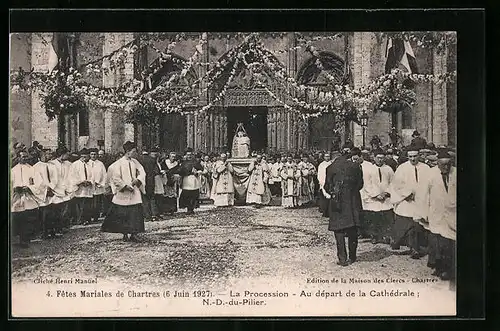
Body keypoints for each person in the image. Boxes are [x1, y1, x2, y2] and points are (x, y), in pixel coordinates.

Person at [415, 148, 456, 281]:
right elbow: (422, 194)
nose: (445, 167)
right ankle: (440, 267)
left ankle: (448, 268)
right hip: (436, 213)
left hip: (452, 213)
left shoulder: (456, 173)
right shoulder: (430, 174)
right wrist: (422, 213)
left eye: (448, 164)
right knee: (437, 241)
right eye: (443, 164)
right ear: (437, 163)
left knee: (450, 242)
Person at [324, 143, 363, 266]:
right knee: (352, 229)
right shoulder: (355, 166)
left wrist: (334, 192)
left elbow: (326, 186)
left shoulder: (330, 168)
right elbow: (360, 185)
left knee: (339, 231)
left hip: (337, 202)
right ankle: (352, 256)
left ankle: (342, 258)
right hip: (352, 202)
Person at [389, 146, 430, 259]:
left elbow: (429, 184)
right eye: (410, 157)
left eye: (415, 156)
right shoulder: (402, 168)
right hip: (406, 200)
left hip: (421, 200)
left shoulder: (426, 168)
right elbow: (396, 185)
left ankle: (415, 248)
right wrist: (405, 194)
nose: (413, 159)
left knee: (417, 224)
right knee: (406, 224)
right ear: (407, 157)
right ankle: (401, 242)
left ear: (419, 156)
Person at [101, 141, 146, 242]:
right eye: (134, 151)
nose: (135, 154)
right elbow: (115, 178)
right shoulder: (118, 164)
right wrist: (125, 186)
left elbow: (142, 172)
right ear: (128, 152)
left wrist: (138, 180)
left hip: (134, 192)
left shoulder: (135, 162)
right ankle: (125, 234)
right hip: (123, 192)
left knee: (135, 213)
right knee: (123, 214)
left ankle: (134, 234)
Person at [362, 149, 395, 244]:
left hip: (386, 198)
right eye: (378, 158)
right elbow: (367, 184)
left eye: (382, 158)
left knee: (386, 217)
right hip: (374, 198)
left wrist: (386, 193)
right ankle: (375, 236)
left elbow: (393, 182)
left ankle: (387, 236)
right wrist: (375, 195)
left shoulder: (388, 169)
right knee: (374, 219)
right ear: (374, 158)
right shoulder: (369, 169)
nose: (380, 160)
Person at [11, 150, 42, 247]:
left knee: (28, 218)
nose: (25, 158)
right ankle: (20, 238)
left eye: (26, 157)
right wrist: (15, 188)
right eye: (23, 157)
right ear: (18, 157)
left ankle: (25, 239)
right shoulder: (13, 170)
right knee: (19, 218)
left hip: (28, 196)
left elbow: (36, 182)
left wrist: (29, 188)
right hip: (17, 198)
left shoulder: (31, 169)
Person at [32, 149, 57, 238]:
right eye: (48, 154)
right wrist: (46, 189)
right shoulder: (36, 167)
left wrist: (52, 187)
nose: (50, 155)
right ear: (43, 155)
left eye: (51, 153)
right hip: (42, 193)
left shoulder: (52, 165)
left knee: (52, 212)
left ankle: (52, 230)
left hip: (52, 192)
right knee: (43, 214)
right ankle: (44, 232)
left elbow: (55, 178)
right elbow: (37, 181)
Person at [48, 146, 72, 234]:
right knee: (55, 211)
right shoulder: (51, 164)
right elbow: (50, 178)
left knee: (64, 211)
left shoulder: (69, 164)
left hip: (66, 190)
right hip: (55, 191)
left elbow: (70, 177)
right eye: (67, 154)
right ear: (62, 154)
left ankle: (61, 227)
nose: (68, 155)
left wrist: (68, 188)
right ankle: (54, 229)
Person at [68, 149, 94, 225]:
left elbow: (93, 175)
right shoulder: (75, 165)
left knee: (87, 204)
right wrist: (81, 182)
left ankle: (87, 219)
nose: (87, 158)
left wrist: (89, 181)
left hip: (88, 187)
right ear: (82, 156)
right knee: (80, 205)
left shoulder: (89, 165)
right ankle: (80, 220)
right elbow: (73, 176)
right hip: (80, 188)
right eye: (86, 157)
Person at [178, 148, 204, 214]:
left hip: (194, 179)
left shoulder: (195, 162)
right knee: (186, 195)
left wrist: (197, 172)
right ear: (186, 155)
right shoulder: (183, 163)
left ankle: (191, 208)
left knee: (193, 195)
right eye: (187, 155)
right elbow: (180, 171)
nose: (189, 156)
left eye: (190, 155)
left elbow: (201, 169)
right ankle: (188, 208)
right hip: (186, 180)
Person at [358, 147, 375, 239]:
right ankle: (361, 232)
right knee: (361, 212)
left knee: (368, 213)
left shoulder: (370, 166)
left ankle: (368, 232)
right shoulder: (357, 165)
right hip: (360, 191)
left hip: (368, 191)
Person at [139, 147, 161, 222]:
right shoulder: (152, 160)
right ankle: (154, 214)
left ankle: (147, 216)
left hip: (142, 181)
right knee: (152, 198)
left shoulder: (139, 159)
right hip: (151, 181)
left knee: (144, 198)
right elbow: (157, 171)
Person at [89, 148, 107, 223]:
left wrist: (100, 183)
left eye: (94, 154)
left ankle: (96, 216)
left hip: (98, 186)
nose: (93, 156)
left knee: (97, 202)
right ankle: (89, 216)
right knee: (90, 202)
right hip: (89, 186)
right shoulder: (87, 163)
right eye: (92, 154)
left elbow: (104, 175)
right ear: (89, 155)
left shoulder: (100, 164)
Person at [317, 152, 333, 216]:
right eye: (326, 156)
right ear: (324, 157)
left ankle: (329, 212)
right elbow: (319, 174)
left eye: (328, 156)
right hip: (323, 182)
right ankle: (324, 211)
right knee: (324, 198)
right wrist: (321, 182)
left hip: (330, 182)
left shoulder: (331, 163)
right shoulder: (321, 165)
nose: (327, 157)